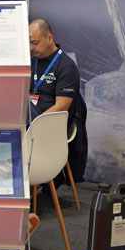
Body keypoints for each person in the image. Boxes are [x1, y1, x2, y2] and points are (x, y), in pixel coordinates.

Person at [27, 18, 88, 188]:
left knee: (24, 113)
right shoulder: (31, 63)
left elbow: (62, 106)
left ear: (49, 38)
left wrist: (36, 124)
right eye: (29, 43)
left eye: (35, 43)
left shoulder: (66, 67)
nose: (31, 48)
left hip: (50, 126)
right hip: (29, 122)